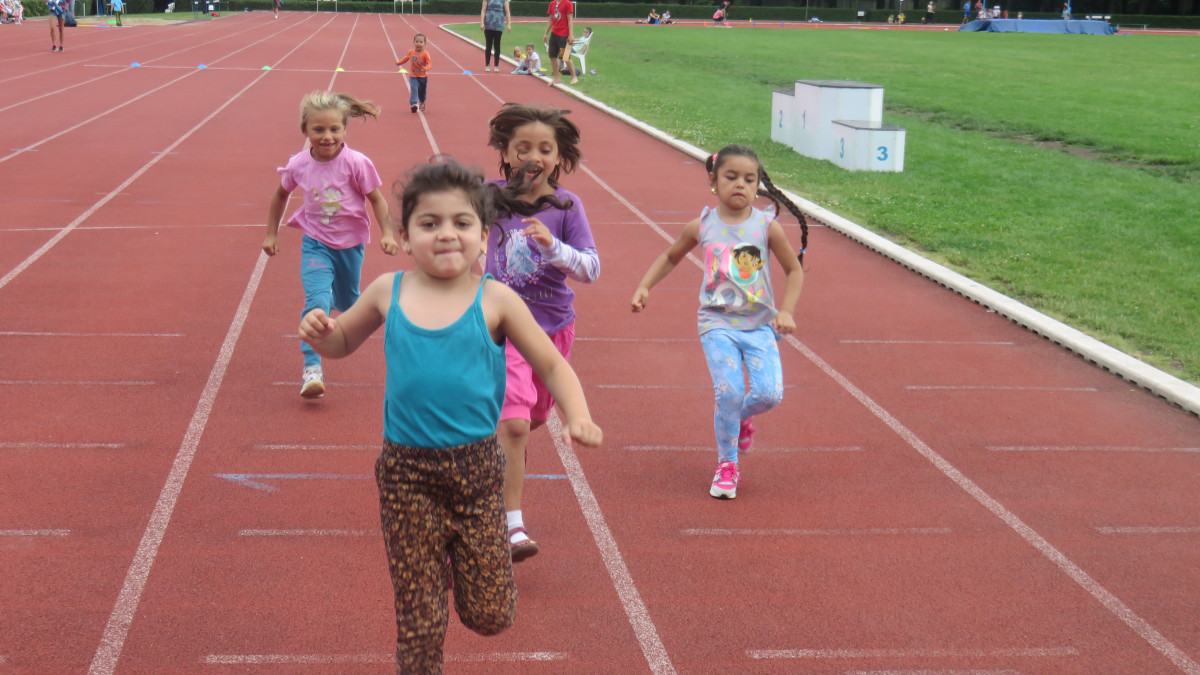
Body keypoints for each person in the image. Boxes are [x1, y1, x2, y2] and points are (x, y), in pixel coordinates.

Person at [299, 159, 602, 674]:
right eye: (429, 223)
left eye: (461, 224)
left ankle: (452, 560)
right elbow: (343, 339)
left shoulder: (496, 299)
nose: (446, 235)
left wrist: (579, 414)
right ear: (404, 234)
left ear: (484, 237)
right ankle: (423, 585)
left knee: (490, 615)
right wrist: (321, 333)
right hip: (406, 474)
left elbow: (550, 363)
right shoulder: (386, 291)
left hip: (478, 473)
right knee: (419, 620)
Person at [630, 144, 807, 500]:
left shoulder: (766, 227)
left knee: (769, 394)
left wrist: (786, 310)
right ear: (714, 182)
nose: (740, 185)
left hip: (760, 325)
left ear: (759, 186)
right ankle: (727, 464)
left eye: (749, 179)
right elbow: (670, 255)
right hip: (717, 323)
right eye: (731, 177)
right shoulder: (703, 226)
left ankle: (738, 418)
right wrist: (645, 286)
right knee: (728, 391)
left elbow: (794, 269)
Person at [484, 104, 599, 561]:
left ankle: (501, 465)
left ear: (559, 157)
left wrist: (555, 248)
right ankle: (513, 525)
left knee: (528, 423)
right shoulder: (489, 196)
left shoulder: (568, 207)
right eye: (523, 148)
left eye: (545, 149)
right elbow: (454, 217)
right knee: (513, 423)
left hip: (552, 329)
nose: (534, 155)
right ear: (507, 155)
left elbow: (591, 269)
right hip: (501, 327)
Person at [263, 91, 396, 399]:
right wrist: (272, 233)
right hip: (316, 243)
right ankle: (312, 369)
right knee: (317, 303)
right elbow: (279, 196)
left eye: (334, 129)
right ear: (305, 131)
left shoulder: (357, 163)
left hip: (350, 246)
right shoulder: (299, 164)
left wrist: (387, 233)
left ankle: (345, 305)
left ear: (344, 129)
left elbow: (376, 199)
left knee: (350, 304)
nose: (327, 136)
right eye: (318, 130)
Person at [396, 34, 433, 113]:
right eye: (417, 41)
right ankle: (413, 104)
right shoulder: (411, 52)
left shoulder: (426, 54)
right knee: (414, 89)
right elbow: (406, 58)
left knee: (422, 92)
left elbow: (429, 64)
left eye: (421, 42)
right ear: (413, 42)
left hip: (423, 77)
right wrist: (399, 63)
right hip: (413, 76)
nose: (418, 44)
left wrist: (426, 68)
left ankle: (422, 102)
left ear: (425, 43)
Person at [543, 0, 576, 86]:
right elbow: (551, 19)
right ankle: (556, 78)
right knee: (552, 56)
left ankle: (574, 76)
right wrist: (546, 33)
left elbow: (570, 19)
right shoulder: (552, 3)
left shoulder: (567, 3)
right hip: (554, 33)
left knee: (565, 57)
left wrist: (571, 35)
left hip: (564, 34)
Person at [480, 0, 510, 73]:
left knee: (497, 44)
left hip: (499, 22)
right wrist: (482, 22)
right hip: (488, 21)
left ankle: (496, 65)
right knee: (488, 44)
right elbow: (483, 10)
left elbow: (507, 11)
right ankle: (487, 64)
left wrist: (509, 24)